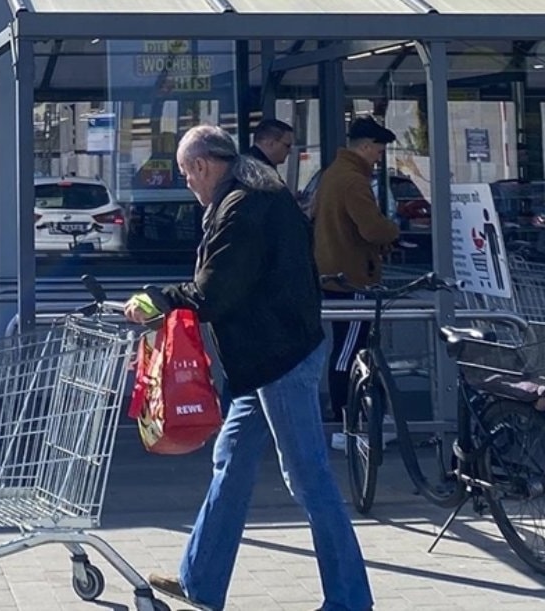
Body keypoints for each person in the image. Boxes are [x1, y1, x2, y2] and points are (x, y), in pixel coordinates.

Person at [125, 125, 373, 611]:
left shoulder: (242, 208)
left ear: (201, 165)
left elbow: (216, 291)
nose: (188, 185)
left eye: (185, 174)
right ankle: (200, 581)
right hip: (264, 359)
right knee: (231, 465)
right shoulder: (255, 192)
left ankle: (350, 600)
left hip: (278, 358)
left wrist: (157, 299)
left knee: (308, 478)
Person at [313, 116, 400, 450]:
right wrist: (393, 230)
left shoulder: (333, 175)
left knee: (353, 349)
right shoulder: (353, 181)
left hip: (336, 275)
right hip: (352, 280)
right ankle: (344, 421)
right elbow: (373, 229)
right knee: (350, 352)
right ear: (365, 147)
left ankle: (362, 416)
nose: (379, 157)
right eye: (378, 151)